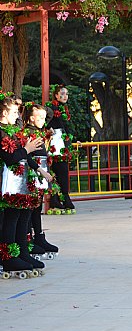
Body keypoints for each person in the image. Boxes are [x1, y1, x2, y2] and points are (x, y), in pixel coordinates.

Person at [0, 96, 52, 278]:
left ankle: (21, 253)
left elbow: (24, 156)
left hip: (18, 182)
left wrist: (40, 170)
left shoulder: (13, 131)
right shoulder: (1, 132)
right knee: (10, 218)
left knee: (21, 215)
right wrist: (27, 149)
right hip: (6, 184)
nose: (17, 116)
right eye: (14, 112)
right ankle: (8, 257)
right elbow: (11, 158)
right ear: (4, 113)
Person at [23, 103, 59, 258]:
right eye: (40, 117)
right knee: (31, 208)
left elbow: (50, 114)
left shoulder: (39, 131)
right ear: (31, 118)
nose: (45, 120)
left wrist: (39, 109)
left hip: (41, 170)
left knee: (37, 207)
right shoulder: (28, 133)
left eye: (44, 117)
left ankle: (38, 237)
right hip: (35, 172)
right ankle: (30, 239)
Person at [46, 85, 75, 213]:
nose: (65, 96)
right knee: (58, 170)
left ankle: (60, 198)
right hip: (55, 142)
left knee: (61, 170)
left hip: (61, 141)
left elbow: (65, 126)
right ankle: (58, 198)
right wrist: (48, 128)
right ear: (56, 95)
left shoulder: (63, 108)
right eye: (62, 94)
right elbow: (46, 121)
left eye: (66, 94)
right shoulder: (52, 107)